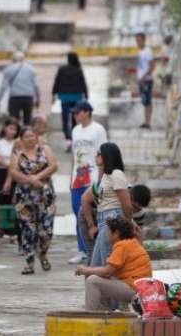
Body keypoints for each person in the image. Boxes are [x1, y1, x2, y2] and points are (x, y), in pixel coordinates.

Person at [8, 127, 58, 274]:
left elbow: (54, 165)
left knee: (46, 231)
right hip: (24, 198)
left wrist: (38, 177)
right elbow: (13, 172)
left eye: (32, 136)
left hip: (45, 197)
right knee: (28, 230)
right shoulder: (17, 153)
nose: (30, 138)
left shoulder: (45, 149)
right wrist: (30, 180)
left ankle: (42, 254)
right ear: (21, 139)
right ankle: (29, 263)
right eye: (27, 136)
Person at [75, 217, 151, 311]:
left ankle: (91, 316)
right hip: (140, 288)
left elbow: (107, 272)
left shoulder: (122, 246)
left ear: (116, 233)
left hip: (135, 290)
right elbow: (109, 272)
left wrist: (85, 270)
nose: (107, 233)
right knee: (100, 279)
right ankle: (104, 315)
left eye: (109, 231)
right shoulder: (131, 243)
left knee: (92, 281)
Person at [68, 101, 107, 265]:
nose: (75, 116)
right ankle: (82, 249)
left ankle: (95, 248)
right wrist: (71, 177)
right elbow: (73, 155)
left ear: (87, 112)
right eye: (74, 113)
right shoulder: (75, 130)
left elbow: (102, 154)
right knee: (77, 214)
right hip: (77, 177)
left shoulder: (98, 130)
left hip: (91, 177)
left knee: (90, 213)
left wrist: (100, 179)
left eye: (77, 113)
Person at [82, 142, 130, 267]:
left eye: (99, 154)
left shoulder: (116, 174)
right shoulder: (106, 177)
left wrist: (127, 225)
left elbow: (127, 204)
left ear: (106, 156)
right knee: (96, 264)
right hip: (103, 220)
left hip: (112, 218)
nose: (96, 156)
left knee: (106, 263)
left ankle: (107, 286)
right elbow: (87, 198)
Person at [79, 183, 150, 261]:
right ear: (128, 196)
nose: (134, 211)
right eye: (133, 207)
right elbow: (84, 199)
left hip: (111, 220)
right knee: (93, 252)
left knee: (112, 253)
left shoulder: (139, 213)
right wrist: (91, 226)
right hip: (90, 212)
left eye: (138, 209)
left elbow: (137, 237)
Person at [52, 52, 88, 148]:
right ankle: (74, 137)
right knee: (74, 118)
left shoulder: (62, 69)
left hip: (64, 97)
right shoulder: (78, 70)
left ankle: (68, 139)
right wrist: (86, 95)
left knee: (64, 118)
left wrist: (54, 93)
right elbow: (83, 83)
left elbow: (57, 81)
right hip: (76, 97)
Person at [0, 51, 40, 126]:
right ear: (23, 59)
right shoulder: (31, 69)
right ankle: (26, 134)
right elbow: (36, 86)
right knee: (27, 120)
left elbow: (3, 87)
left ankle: (15, 135)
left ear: (13, 59)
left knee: (13, 121)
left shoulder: (8, 69)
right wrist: (38, 99)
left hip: (14, 98)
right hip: (28, 97)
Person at [0, 117, 20, 204]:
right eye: (10, 128)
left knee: (13, 199)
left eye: (15, 129)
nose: (12, 131)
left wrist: (10, 164)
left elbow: (19, 159)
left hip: (15, 174)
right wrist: (11, 165)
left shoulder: (18, 143)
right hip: (0, 172)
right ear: (5, 128)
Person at [135, 32, 155, 129]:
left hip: (146, 80)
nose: (137, 42)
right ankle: (145, 121)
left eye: (139, 40)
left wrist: (144, 77)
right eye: (136, 40)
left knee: (148, 101)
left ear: (143, 40)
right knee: (144, 101)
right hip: (141, 80)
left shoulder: (148, 51)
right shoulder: (140, 51)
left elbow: (152, 66)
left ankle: (148, 122)